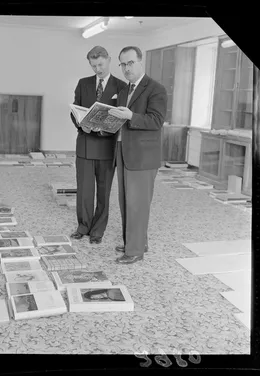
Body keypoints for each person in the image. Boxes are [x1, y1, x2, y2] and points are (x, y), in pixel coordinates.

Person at [108, 46, 168, 265]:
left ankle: (134, 251)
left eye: (130, 63)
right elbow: (121, 120)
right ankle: (135, 241)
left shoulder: (156, 88)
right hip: (124, 151)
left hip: (143, 157)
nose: (126, 68)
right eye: (122, 64)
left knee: (137, 204)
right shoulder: (124, 91)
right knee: (125, 201)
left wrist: (131, 115)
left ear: (140, 61)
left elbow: (156, 121)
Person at [70, 46, 127, 244]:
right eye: (94, 66)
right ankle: (83, 226)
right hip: (85, 144)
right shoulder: (83, 83)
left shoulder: (121, 86)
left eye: (100, 64)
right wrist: (80, 124)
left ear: (109, 60)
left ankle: (97, 231)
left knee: (103, 193)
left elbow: (121, 117)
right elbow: (74, 110)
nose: (98, 69)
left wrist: (104, 129)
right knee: (84, 191)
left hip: (106, 147)